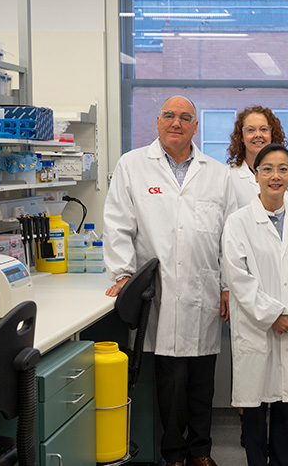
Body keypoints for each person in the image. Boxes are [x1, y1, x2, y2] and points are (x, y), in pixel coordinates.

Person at [103, 95, 237, 466]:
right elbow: (117, 225)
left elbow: (231, 236)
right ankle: (173, 453)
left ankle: (202, 451)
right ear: (157, 122)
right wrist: (122, 274)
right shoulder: (133, 166)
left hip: (205, 290)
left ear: (196, 126)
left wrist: (227, 284)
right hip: (158, 292)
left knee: (202, 380)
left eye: (185, 117)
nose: (176, 123)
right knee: (170, 380)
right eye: (169, 116)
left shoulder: (217, 173)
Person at [222, 143, 288, 466]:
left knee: (286, 410)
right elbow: (238, 278)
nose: (275, 176)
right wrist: (273, 316)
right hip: (258, 330)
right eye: (267, 168)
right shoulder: (238, 223)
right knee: (254, 411)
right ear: (255, 175)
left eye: (283, 169)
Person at [227, 105, 288, 207]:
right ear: (241, 136)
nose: (258, 135)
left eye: (264, 129)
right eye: (250, 130)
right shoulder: (229, 176)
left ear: (272, 134)